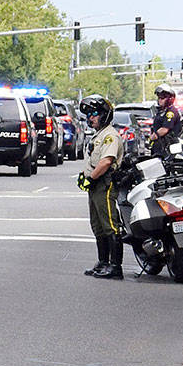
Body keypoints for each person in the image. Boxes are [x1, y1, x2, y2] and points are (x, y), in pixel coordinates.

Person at [77, 95, 125, 280]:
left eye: (94, 113)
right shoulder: (99, 135)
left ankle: (115, 266)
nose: (91, 118)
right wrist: (85, 176)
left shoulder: (110, 136)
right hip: (95, 184)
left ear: (105, 115)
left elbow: (106, 162)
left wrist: (92, 178)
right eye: (89, 114)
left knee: (110, 225)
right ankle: (103, 262)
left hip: (105, 184)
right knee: (97, 225)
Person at [149, 83, 183, 157]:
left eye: (162, 98)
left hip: (167, 146)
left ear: (169, 99)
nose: (160, 100)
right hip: (160, 145)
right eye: (159, 98)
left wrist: (152, 137)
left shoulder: (171, 112)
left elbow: (164, 129)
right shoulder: (162, 111)